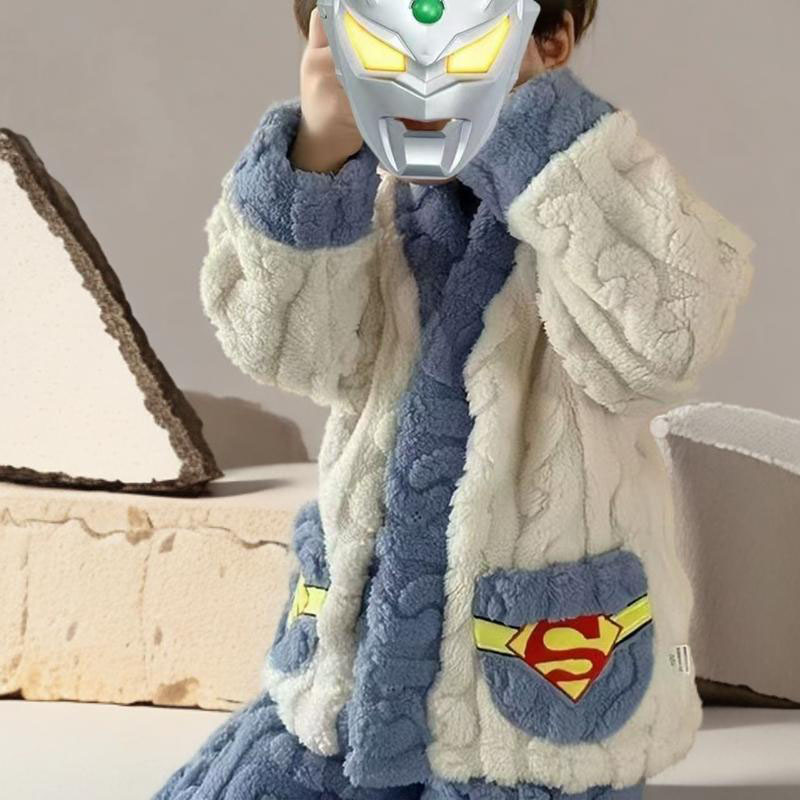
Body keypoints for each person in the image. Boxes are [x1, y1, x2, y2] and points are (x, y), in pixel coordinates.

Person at [154, 1, 754, 798]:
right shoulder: (364, 209)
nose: (421, 73)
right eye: (380, 43)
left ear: (548, 40)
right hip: (348, 687)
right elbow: (288, 351)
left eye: (458, 42)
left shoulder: (594, 202)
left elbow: (669, 336)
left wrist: (541, 135)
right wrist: (317, 160)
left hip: (532, 696)